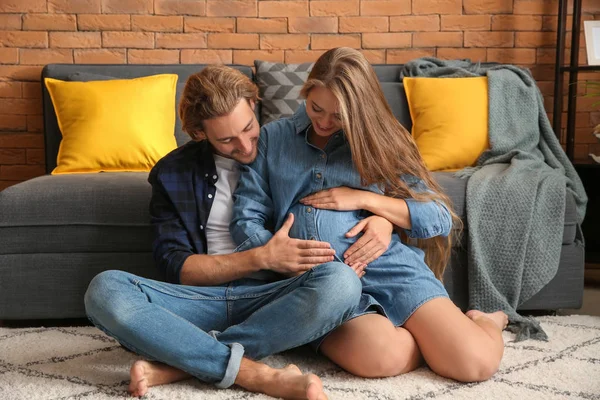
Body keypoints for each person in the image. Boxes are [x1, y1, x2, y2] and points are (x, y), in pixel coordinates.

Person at [84, 65, 384, 400]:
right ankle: (257, 375)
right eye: (226, 139)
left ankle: (185, 362)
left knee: (341, 282)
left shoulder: (288, 148)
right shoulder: (173, 173)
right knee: (105, 290)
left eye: (248, 129)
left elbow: (362, 196)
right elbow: (176, 266)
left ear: (254, 106)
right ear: (200, 133)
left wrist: (385, 218)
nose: (244, 146)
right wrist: (260, 257)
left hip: (279, 298)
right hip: (202, 302)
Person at [230, 47, 508, 382]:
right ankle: (436, 338)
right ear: (306, 91)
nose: (324, 122)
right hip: (323, 288)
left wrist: (371, 203)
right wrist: (278, 255)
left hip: (389, 267)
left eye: (339, 117)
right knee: (381, 359)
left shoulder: (382, 141)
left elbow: (438, 216)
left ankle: (486, 322)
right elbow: (246, 219)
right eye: (316, 107)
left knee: (474, 365)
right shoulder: (274, 138)